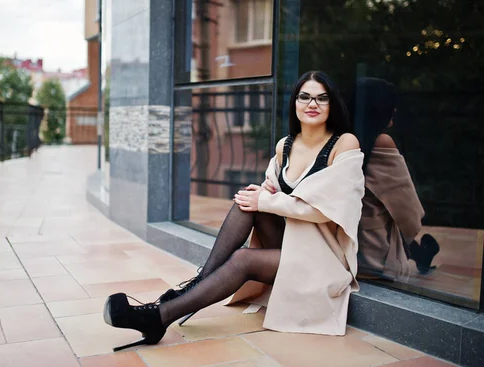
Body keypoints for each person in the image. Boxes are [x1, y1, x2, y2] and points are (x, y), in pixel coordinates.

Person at [103, 71, 365, 351]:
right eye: (305, 96)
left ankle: (161, 314)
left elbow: (325, 209)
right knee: (246, 204)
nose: (312, 103)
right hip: (292, 244)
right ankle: (193, 288)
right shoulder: (285, 146)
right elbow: (273, 191)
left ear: (331, 104)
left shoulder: (344, 144)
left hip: (322, 259)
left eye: (322, 98)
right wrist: (265, 194)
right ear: (295, 103)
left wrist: (266, 200)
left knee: (243, 257)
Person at [354, 77, 440, 282]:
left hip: (343, 250)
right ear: (381, 109)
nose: (395, 110)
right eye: (392, 105)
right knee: (394, 215)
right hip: (373, 258)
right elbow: (408, 211)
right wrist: (411, 233)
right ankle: (422, 255)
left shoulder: (340, 138)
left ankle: (421, 255)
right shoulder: (381, 142)